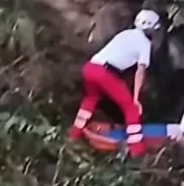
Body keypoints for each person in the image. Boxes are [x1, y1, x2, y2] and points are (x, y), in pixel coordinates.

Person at [69, 9, 162, 157]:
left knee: (91, 98)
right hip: (104, 73)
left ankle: (74, 134)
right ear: (150, 28)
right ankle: (136, 149)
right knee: (130, 107)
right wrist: (136, 98)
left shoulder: (125, 34)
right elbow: (140, 71)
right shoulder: (145, 43)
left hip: (90, 67)